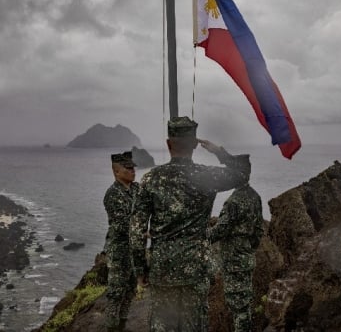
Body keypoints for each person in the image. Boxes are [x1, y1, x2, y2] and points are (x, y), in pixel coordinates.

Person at [130, 116, 249, 332]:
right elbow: (242, 174)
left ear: (168, 144)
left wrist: (141, 270)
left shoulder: (150, 179)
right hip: (195, 267)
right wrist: (218, 151)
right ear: (195, 145)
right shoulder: (206, 175)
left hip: (162, 268)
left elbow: (136, 230)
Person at [209, 154, 264, 332]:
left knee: (238, 307)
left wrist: (195, 235)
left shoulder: (234, 202)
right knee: (244, 303)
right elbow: (259, 230)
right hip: (246, 257)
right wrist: (248, 248)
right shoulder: (254, 196)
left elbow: (219, 231)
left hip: (233, 261)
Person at [103, 151, 139, 332]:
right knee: (116, 292)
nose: (133, 171)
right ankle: (111, 327)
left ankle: (122, 324)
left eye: (133, 168)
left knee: (131, 288)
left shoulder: (135, 189)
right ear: (117, 172)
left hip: (133, 249)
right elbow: (122, 224)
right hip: (119, 249)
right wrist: (145, 232)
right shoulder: (113, 194)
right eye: (129, 168)